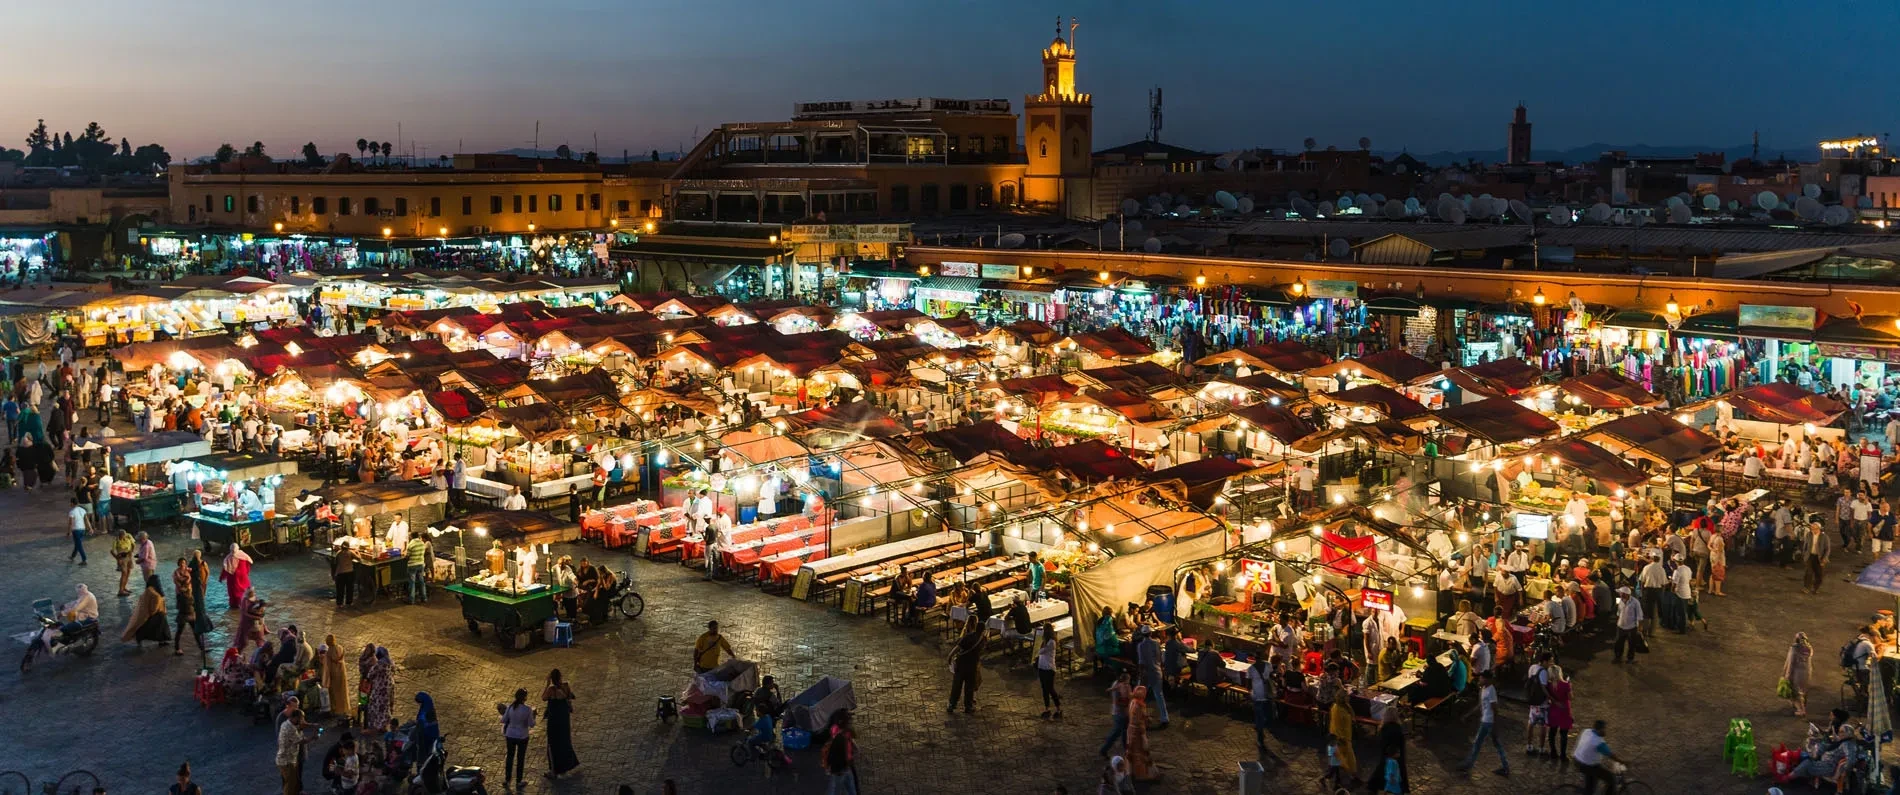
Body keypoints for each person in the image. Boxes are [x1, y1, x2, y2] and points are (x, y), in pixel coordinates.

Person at [1457, 671, 1509, 777]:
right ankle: (1505, 766)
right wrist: (1468, 715)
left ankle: (1468, 765)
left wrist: (1495, 726)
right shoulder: (1483, 689)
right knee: (1494, 744)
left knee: (1478, 744)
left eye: (1481, 678)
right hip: (1486, 720)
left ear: (1487, 679)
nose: (1479, 680)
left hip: (1488, 722)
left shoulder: (1491, 691)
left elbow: (1495, 709)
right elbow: (1480, 705)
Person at [542, 669, 580, 778]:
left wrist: (547, 684)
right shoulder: (566, 686)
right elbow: (570, 696)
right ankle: (566, 766)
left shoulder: (551, 689)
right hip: (564, 718)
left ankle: (554, 770)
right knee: (565, 741)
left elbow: (543, 698)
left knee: (553, 744)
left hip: (554, 720)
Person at [947, 615, 987, 713]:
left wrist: (949, 657)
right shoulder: (982, 639)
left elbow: (957, 647)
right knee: (969, 686)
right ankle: (968, 706)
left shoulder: (969, 636)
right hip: (972, 665)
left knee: (957, 685)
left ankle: (952, 704)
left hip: (961, 664)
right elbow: (982, 651)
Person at [1572, 720, 1622, 795]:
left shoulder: (1587, 731)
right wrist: (1622, 762)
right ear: (1599, 729)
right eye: (1604, 729)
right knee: (1611, 779)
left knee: (1592, 783)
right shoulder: (1598, 742)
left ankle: (1586, 791)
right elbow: (1610, 755)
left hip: (1577, 760)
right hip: (1588, 765)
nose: (1605, 731)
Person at [1134, 627, 1169, 728]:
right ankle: (1164, 718)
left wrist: (1140, 675)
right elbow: (1159, 658)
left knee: (1139, 696)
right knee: (1159, 695)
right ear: (1150, 633)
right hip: (1157, 671)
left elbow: (1141, 662)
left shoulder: (1140, 646)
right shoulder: (1156, 643)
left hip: (1146, 673)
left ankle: (1137, 716)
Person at [1367, 711, 1410, 794]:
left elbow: (1380, 742)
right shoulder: (1398, 728)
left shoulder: (1384, 728)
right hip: (1397, 755)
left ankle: (1374, 787)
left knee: (1382, 771)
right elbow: (1401, 743)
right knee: (1399, 772)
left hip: (1386, 754)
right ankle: (1400, 789)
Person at [499, 688, 535, 787]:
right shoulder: (527, 709)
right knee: (520, 758)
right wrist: (534, 715)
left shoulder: (511, 707)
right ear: (525, 698)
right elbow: (531, 724)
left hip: (510, 735)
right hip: (522, 736)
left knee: (510, 757)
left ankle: (507, 780)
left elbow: (503, 720)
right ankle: (519, 781)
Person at [121, 573, 168, 648]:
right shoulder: (154, 591)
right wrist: (154, 612)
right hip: (154, 613)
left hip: (154, 613)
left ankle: (161, 641)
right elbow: (154, 606)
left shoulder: (149, 590)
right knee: (159, 626)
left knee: (159, 626)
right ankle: (161, 641)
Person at [171, 558, 206, 657]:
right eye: (181, 563)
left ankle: (202, 648)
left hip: (189, 611)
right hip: (184, 611)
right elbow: (177, 582)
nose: (183, 564)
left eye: (184, 563)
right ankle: (177, 648)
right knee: (180, 630)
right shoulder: (176, 575)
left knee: (195, 630)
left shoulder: (188, 572)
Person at [821, 710, 858, 795]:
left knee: (849, 787)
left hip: (845, 767)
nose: (850, 722)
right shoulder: (840, 736)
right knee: (836, 790)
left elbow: (851, 742)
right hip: (840, 768)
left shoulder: (842, 732)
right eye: (848, 720)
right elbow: (835, 754)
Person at [1099, 671, 1134, 757]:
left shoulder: (1117, 684)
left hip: (1120, 713)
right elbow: (1120, 701)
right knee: (1118, 732)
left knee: (1123, 732)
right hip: (1120, 713)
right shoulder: (1122, 686)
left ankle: (1126, 750)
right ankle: (1104, 749)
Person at [1328, 690, 1359, 785]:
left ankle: (1332, 775)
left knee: (1340, 758)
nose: (1349, 698)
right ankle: (1352, 776)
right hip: (1342, 738)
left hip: (1345, 736)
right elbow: (1336, 725)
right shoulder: (1338, 710)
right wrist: (1341, 738)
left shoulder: (1342, 706)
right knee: (1349, 758)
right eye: (1347, 697)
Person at [276, 708, 310, 794]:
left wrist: (312, 725)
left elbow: (300, 726)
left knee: (293, 782)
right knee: (290, 785)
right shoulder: (290, 728)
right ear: (295, 718)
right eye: (301, 718)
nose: (302, 721)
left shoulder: (286, 723)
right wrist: (313, 737)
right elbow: (301, 741)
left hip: (288, 759)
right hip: (287, 761)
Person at [1545, 665, 1575, 759]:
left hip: (1553, 709)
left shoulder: (1548, 685)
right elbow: (1570, 698)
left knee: (1552, 732)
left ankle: (1553, 751)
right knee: (1563, 734)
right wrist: (1570, 686)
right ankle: (1563, 754)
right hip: (1564, 710)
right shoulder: (1565, 685)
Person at [1035, 622, 1063, 719]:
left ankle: (1058, 709)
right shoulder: (1045, 641)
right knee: (1044, 689)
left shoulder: (1051, 642)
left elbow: (1040, 651)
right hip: (1042, 667)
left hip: (1049, 668)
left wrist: (1039, 645)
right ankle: (1047, 709)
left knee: (1050, 689)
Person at [363, 647, 394, 734]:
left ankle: (375, 727)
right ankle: (383, 726)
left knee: (375, 706)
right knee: (385, 707)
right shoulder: (390, 662)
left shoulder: (379, 664)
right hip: (388, 687)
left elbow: (370, 675)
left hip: (379, 689)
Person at [320, 634, 348, 721]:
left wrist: (325, 681)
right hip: (341, 673)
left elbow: (327, 668)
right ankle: (344, 708)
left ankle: (335, 710)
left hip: (333, 676)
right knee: (342, 692)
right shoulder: (340, 648)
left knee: (334, 694)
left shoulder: (329, 653)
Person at [1784, 632, 1813, 717]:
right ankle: (1801, 707)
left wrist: (1787, 675)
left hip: (1797, 672)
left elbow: (1791, 663)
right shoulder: (1809, 648)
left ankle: (1801, 710)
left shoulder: (1794, 649)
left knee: (1795, 691)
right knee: (1803, 691)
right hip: (1806, 672)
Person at [1803, 521, 1832, 594]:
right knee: (1808, 572)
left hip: (1819, 557)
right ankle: (1807, 587)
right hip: (1810, 556)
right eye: (1812, 528)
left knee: (1819, 574)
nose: (1813, 530)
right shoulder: (1808, 535)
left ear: (1819, 529)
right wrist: (1804, 554)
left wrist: (1824, 558)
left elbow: (1827, 549)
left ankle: (1815, 588)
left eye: (1815, 528)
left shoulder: (1824, 537)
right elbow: (1805, 545)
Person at [404, 533, 430, 604]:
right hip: (421, 564)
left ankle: (411, 600)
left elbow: (407, 556)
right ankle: (424, 598)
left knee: (412, 583)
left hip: (412, 565)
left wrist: (405, 554)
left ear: (411, 537)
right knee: (421, 582)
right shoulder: (422, 543)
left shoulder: (410, 544)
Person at [111, 529, 134, 596]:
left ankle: (124, 587)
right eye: (122, 536)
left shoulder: (128, 536)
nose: (123, 537)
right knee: (124, 573)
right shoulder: (116, 540)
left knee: (128, 572)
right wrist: (117, 559)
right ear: (119, 535)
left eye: (124, 535)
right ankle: (120, 590)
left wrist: (131, 552)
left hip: (129, 556)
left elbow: (133, 544)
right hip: (122, 558)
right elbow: (112, 551)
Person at [332, 543, 356, 607]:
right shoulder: (350, 552)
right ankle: (349, 602)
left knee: (340, 589)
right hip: (349, 573)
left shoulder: (338, 553)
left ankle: (340, 603)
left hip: (340, 573)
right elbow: (359, 558)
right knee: (349, 588)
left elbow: (335, 563)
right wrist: (357, 552)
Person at [67, 497, 90, 564]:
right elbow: (86, 520)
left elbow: (70, 523)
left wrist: (69, 532)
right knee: (77, 544)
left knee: (79, 545)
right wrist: (90, 528)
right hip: (82, 529)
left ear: (72, 503)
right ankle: (73, 556)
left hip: (76, 530)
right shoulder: (82, 510)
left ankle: (84, 559)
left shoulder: (71, 512)